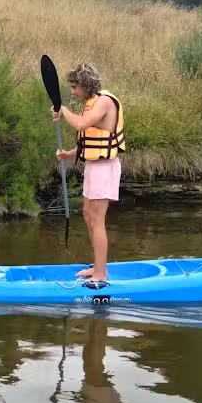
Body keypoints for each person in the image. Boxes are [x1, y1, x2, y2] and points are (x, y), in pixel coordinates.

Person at [51, 63, 125, 283]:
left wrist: (63, 110)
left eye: (74, 87)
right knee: (87, 214)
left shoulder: (103, 102)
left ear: (85, 84)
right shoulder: (90, 103)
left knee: (97, 218)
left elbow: (82, 125)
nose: (73, 92)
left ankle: (101, 274)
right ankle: (97, 267)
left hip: (105, 168)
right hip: (94, 166)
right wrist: (69, 154)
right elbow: (92, 139)